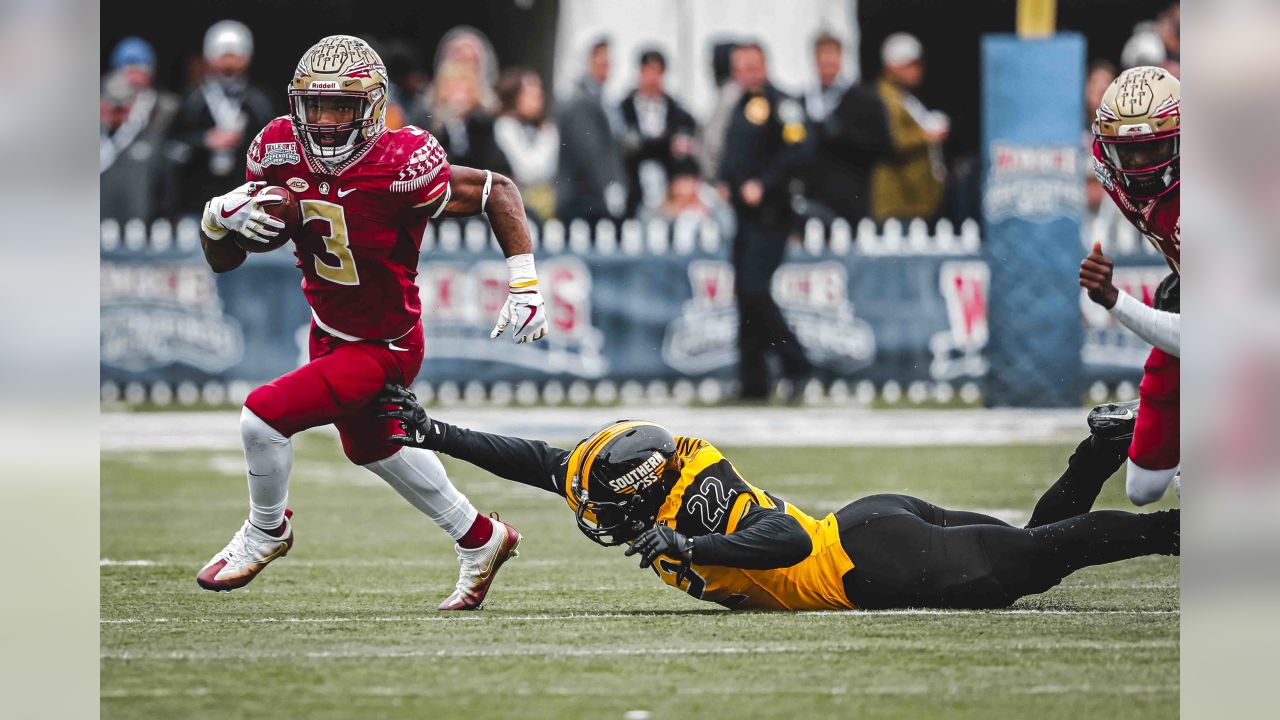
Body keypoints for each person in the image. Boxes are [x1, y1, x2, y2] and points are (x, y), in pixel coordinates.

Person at [193, 35, 550, 611]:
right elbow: (227, 260)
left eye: (341, 107)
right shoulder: (278, 149)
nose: (327, 122)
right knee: (373, 446)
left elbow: (496, 189)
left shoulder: (402, 161)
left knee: (262, 418)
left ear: (374, 106)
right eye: (316, 106)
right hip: (327, 329)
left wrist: (525, 281)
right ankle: (480, 537)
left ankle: (266, 530)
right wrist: (215, 223)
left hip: (385, 343)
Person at [377, 386, 1179, 611]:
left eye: (610, 511)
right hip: (871, 526)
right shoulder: (641, 476)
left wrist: (693, 549)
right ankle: (1103, 448)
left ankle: (1185, 532)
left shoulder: (695, 503)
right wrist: (435, 431)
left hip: (866, 566)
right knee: (1037, 546)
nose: (598, 521)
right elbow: (541, 461)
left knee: (1040, 556)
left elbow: (783, 544)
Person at [1078, 66, 1181, 506]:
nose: (1138, 167)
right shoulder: (1110, 172)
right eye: (1127, 153)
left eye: (1152, 148)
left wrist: (1114, 300)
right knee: (1143, 488)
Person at [717, 42, 813, 401]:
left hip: (772, 214)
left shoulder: (783, 103)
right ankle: (753, 382)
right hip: (743, 216)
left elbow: (800, 150)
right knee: (744, 294)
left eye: (751, 65)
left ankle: (797, 362)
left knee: (756, 289)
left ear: (764, 65)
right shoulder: (739, 104)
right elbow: (733, 155)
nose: (745, 72)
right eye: (739, 66)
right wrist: (728, 181)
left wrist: (765, 184)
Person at [167, 20, 276, 219]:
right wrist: (204, 141)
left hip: (247, 207)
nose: (229, 65)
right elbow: (170, 147)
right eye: (223, 57)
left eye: (235, 57)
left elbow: (275, 149)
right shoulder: (193, 101)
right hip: (197, 205)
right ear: (209, 57)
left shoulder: (259, 102)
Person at [871, 33, 948, 222]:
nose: (917, 70)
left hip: (916, 199)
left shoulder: (904, 97)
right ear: (892, 66)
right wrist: (926, 136)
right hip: (900, 202)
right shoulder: (884, 98)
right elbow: (891, 139)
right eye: (910, 65)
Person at [100, 40, 180, 222]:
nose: (134, 77)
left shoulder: (166, 107)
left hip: (144, 198)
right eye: (129, 70)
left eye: (141, 70)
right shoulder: (102, 107)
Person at [618, 49, 698, 217]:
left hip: (670, 199)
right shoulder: (622, 111)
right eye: (649, 70)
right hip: (632, 194)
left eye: (658, 72)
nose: (653, 78)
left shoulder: (680, 115)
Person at [555, 37, 627, 222]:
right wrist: (609, 186)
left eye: (607, 62)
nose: (605, 67)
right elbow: (589, 151)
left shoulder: (603, 101)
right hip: (583, 201)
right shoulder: (580, 101)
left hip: (590, 199)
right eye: (599, 61)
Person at [411, 60, 509, 176]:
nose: (459, 96)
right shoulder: (428, 122)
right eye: (453, 87)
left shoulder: (483, 126)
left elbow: (496, 163)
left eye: (465, 89)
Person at [493, 68, 560, 222]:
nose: (538, 96)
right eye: (530, 92)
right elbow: (528, 172)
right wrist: (547, 138)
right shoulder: (505, 126)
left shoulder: (541, 128)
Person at [802, 32, 849, 124]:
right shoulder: (803, 98)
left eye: (833, 55)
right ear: (815, 59)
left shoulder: (858, 98)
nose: (829, 60)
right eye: (824, 55)